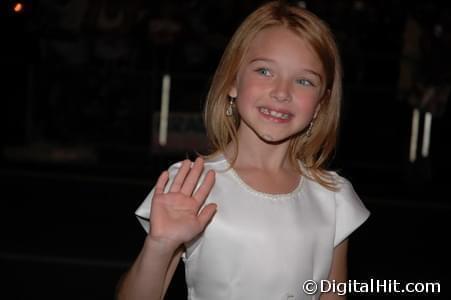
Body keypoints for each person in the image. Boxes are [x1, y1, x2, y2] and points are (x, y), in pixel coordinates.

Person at [117, 1, 370, 299]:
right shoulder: (191, 185)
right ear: (232, 82)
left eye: (303, 81)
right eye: (264, 71)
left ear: (320, 105)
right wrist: (158, 246)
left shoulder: (333, 197)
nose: (281, 92)